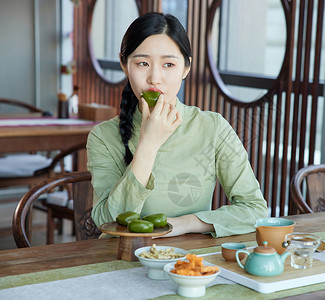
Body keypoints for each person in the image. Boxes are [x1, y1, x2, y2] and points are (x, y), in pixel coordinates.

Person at [86, 12, 268, 238]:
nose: (155, 78)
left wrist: (187, 223)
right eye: (142, 63)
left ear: (186, 69)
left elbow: (255, 210)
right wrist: (148, 144)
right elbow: (107, 223)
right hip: (121, 261)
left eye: (169, 64)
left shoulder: (213, 127)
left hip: (192, 266)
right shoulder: (102, 136)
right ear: (124, 65)